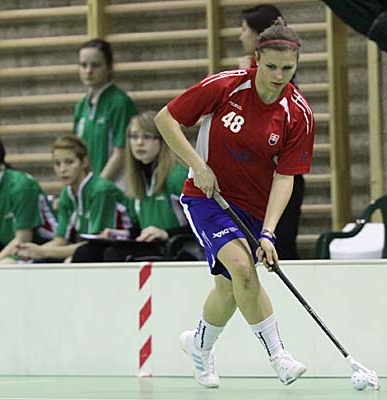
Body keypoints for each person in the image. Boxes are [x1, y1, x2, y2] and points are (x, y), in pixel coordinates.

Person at [154, 20, 315, 388]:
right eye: (271, 66)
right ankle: (279, 356)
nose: (278, 76)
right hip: (208, 198)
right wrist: (198, 165)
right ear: (256, 58)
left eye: (287, 68)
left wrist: (269, 233)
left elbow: (285, 177)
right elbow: (166, 119)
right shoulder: (226, 86)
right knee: (243, 269)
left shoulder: (298, 113)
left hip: (254, 209)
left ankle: (198, 346)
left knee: (229, 288)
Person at [82, 110, 196, 262]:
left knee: (114, 254)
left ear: (162, 140)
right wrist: (123, 234)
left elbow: (205, 222)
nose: (139, 143)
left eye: (147, 137)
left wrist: (167, 233)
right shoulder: (138, 178)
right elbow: (141, 227)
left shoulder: (177, 176)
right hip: (152, 245)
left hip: (179, 248)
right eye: (134, 137)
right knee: (87, 252)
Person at [239, 5, 304, 259]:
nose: (240, 36)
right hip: (252, 180)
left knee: (280, 249)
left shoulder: (280, 87)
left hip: (280, 178)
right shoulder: (240, 80)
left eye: (244, 29)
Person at [14, 135, 134, 263]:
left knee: (73, 259)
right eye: (57, 164)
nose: (62, 169)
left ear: (84, 162)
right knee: (33, 262)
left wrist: (43, 252)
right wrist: (31, 251)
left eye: (69, 162)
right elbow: (60, 240)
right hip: (92, 249)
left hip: (124, 248)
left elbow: (95, 244)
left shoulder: (101, 190)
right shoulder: (66, 194)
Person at [0, 136, 57, 265]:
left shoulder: (21, 186)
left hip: (44, 245)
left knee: (4, 266)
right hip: (10, 247)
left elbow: (23, 238)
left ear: (1, 164)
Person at [74, 38, 138, 182]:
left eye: (95, 65)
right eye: (83, 65)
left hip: (116, 186)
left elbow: (121, 152)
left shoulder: (120, 103)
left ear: (109, 67)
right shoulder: (81, 106)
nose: (88, 71)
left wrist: (98, 187)